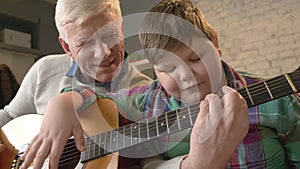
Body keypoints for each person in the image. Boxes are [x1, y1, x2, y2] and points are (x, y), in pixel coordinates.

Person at [20, 0, 300, 169]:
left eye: (195, 58)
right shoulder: (148, 99)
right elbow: (89, 98)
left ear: (215, 43)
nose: (186, 76)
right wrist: (64, 101)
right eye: (166, 68)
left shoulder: (282, 104)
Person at [0, 0, 152, 159]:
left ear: (121, 29)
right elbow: (9, 116)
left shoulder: (149, 94)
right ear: (66, 47)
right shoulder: (44, 70)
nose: (103, 53)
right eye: (86, 43)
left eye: (110, 35)